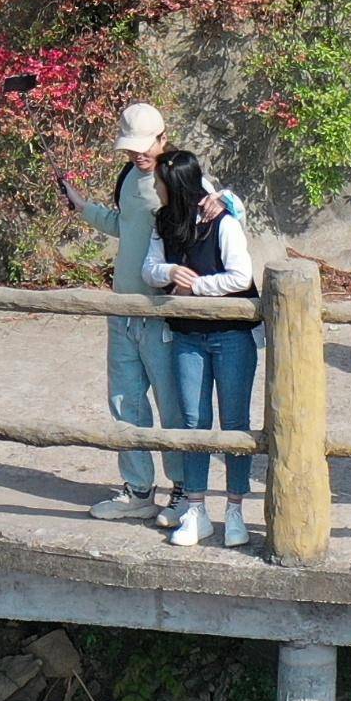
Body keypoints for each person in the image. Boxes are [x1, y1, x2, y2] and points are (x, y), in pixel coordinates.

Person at [65, 103, 184, 523]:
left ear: (163, 138)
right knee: (124, 401)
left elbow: (207, 221)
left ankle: (184, 493)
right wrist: (83, 206)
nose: (138, 156)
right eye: (131, 149)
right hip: (123, 308)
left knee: (172, 405)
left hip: (162, 311)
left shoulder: (179, 179)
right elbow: (124, 224)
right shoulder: (130, 176)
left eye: (145, 147)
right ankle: (138, 490)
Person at [141, 149, 263, 549]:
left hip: (230, 334)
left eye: (159, 182)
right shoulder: (164, 222)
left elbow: (241, 276)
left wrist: (198, 287)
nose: (155, 187)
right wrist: (168, 272)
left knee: (234, 423)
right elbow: (150, 267)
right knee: (193, 423)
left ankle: (234, 510)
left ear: (173, 186)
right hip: (187, 336)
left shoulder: (222, 223)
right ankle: (196, 509)